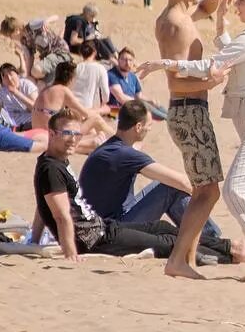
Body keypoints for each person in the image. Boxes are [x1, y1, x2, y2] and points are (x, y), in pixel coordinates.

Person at [148, 0, 245, 284]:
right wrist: (220, 23)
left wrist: (166, 64)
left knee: (235, 191)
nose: (236, 4)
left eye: (242, 0)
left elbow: (213, 66)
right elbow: (233, 56)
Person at [150, 0, 231, 280]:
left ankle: (188, 259)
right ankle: (177, 260)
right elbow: (175, 81)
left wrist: (214, 0)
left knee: (201, 190)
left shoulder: (177, 17)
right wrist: (212, 81)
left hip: (189, 112)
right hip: (189, 112)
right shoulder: (175, 24)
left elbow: (199, 12)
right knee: (209, 192)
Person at [78, 99, 238, 258]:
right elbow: (182, 182)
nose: (149, 130)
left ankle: (207, 238)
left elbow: (132, 147)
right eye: (148, 126)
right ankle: (211, 237)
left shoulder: (111, 148)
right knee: (170, 187)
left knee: (165, 188)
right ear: (138, 127)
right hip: (113, 228)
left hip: (102, 223)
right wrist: (206, 197)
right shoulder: (125, 155)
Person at [29, 110, 177, 259]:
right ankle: (190, 249)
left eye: (77, 134)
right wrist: (71, 255)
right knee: (169, 243)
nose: (73, 139)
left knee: (162, 227)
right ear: (52, 134)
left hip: (103, 227)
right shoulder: (51, 169)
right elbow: (61, 216)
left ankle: (192, 240)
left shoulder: (56, 160)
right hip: (94, 240)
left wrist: (34, 241)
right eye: (67, 133)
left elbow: (45, 203)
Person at [0, 63, 39, 130]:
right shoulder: (2, 90)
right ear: (2, 81)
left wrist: (16, 93)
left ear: (17, 74)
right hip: (12, 123)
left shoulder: (27, 85)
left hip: (31, 122)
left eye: (11, 74)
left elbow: (37, 109)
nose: (9, 78)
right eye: (5, 76)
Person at [68, 41, 112, 112]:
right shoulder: (100, 68)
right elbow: (105, 93)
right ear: (95, 52)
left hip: (72, 106)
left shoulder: (75, 67)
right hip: (89, 108)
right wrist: (103, 104)